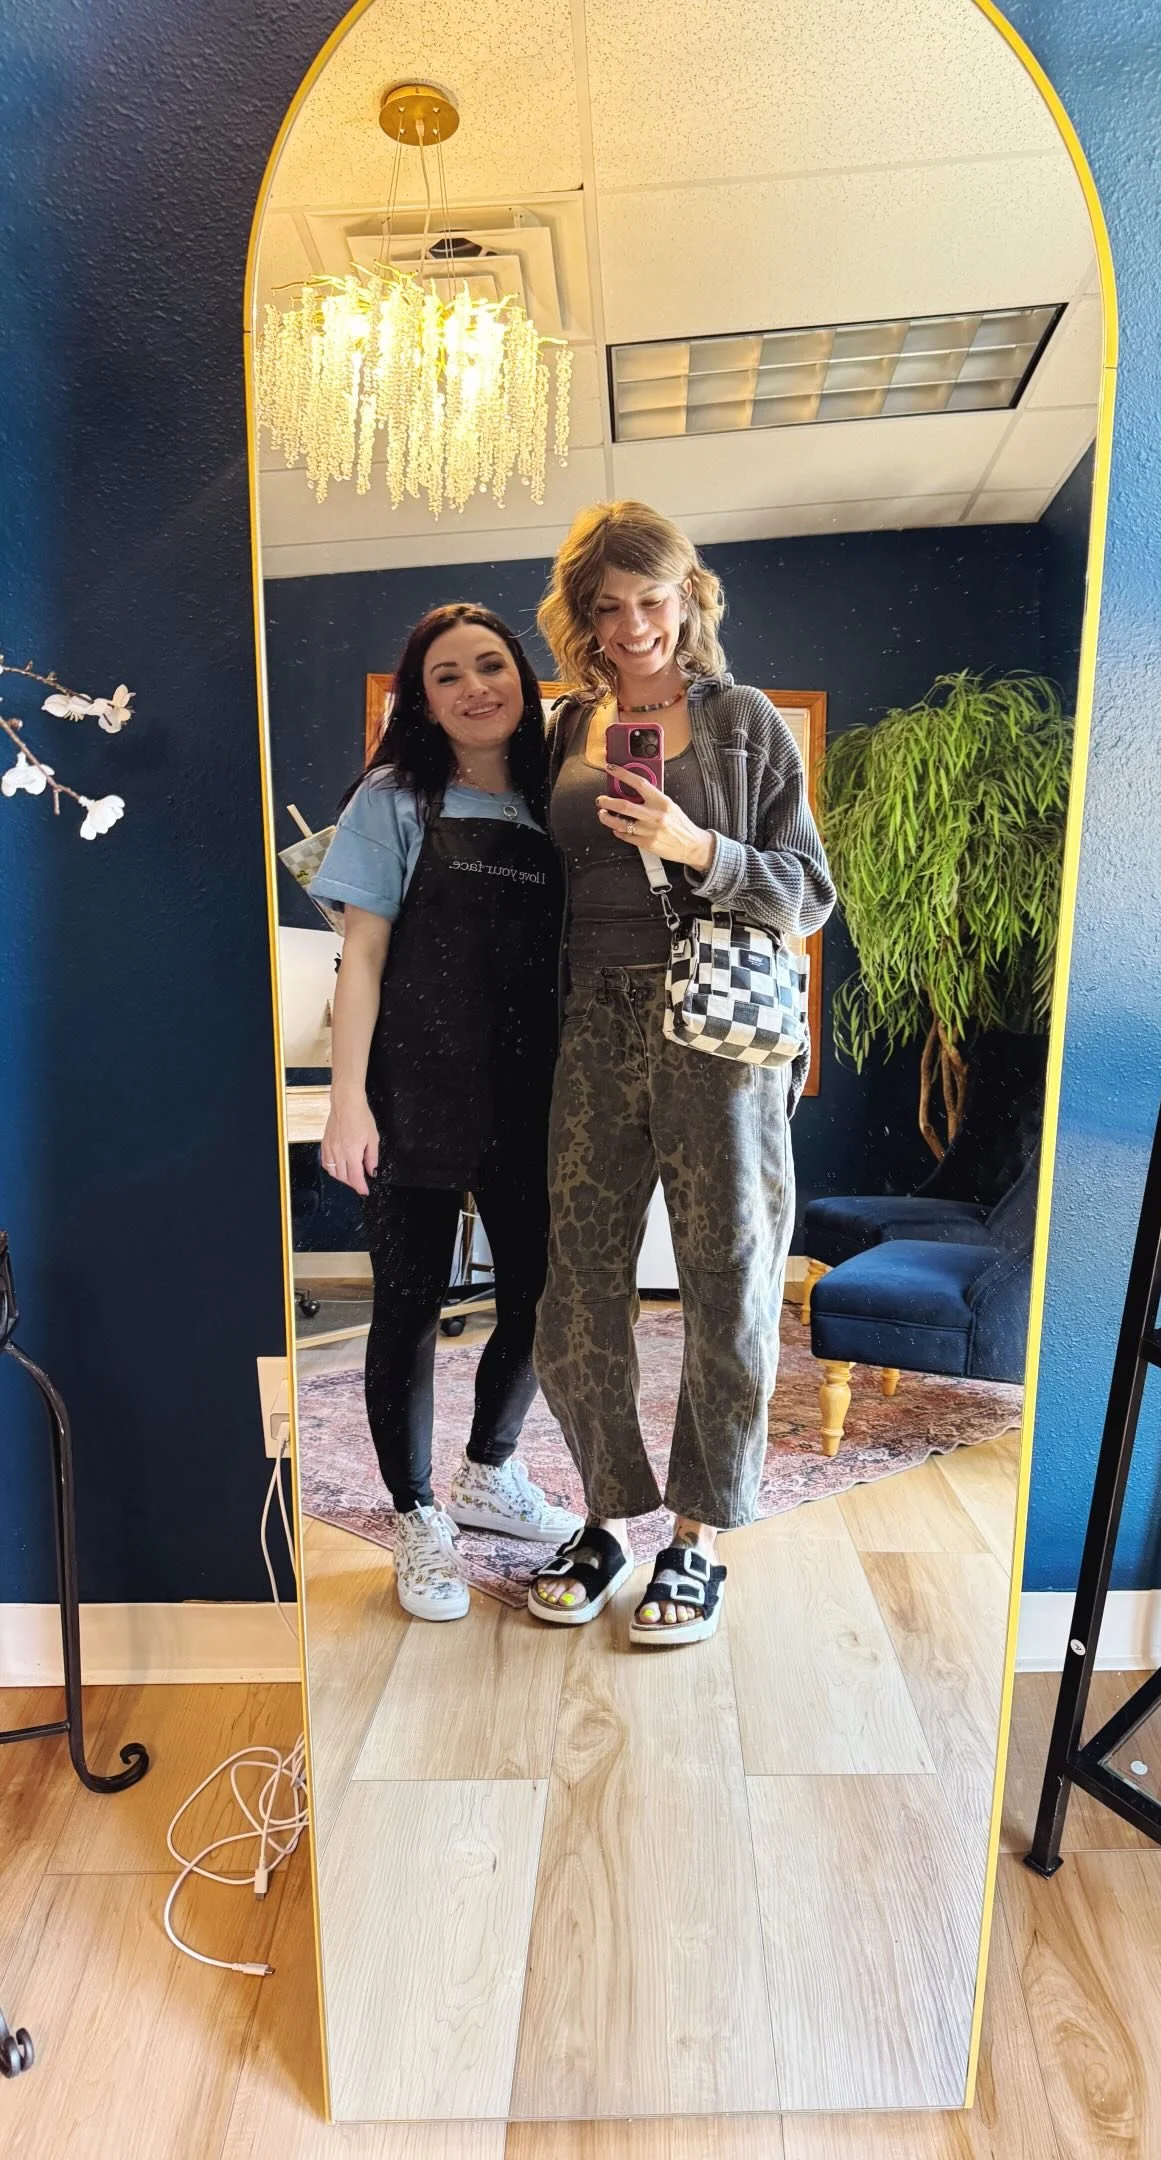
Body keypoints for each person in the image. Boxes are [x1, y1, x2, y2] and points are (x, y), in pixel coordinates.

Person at [527, 502, 835, 1647]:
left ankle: (696, 1538)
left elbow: (808, 894)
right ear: (582, 617)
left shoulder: (743, 723)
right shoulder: (568, 727)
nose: (631, 625)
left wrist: (695, 846)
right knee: (574, 1285)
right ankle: (607, 1516)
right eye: (606, 607)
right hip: (591, 1025)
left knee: (730, 1275)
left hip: (715, 1024)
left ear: (688, 596)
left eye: (650, 599)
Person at [311, 603, 581, 1621]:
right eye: (447, 675)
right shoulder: (393, 798)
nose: (475, 688)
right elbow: (362, 959)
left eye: (491, 665)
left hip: (535, 1094)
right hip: (411, 1092)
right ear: (420, 701)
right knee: (409, 1306)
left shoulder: (562, 801)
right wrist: (346, 1102)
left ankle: (488, 1472)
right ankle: (417, 1513)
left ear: (523, 679)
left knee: (543, 1299)